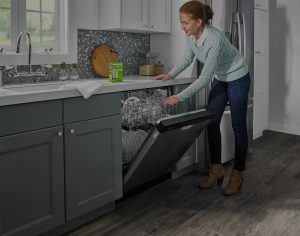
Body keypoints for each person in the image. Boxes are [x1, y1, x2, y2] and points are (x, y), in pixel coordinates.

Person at [154, 1, 250, 196]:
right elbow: (188, 58)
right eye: (181, 22)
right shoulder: (192, 37)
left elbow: (205, 78)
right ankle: (216, 169)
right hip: (221, 77)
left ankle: (238, 174)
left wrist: (179, 97)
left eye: (185, 23)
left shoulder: (215, 39)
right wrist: (170, 74)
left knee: (238, 126)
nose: (182, 27)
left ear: (198, 22)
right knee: (212, 121)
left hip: (238, 76)